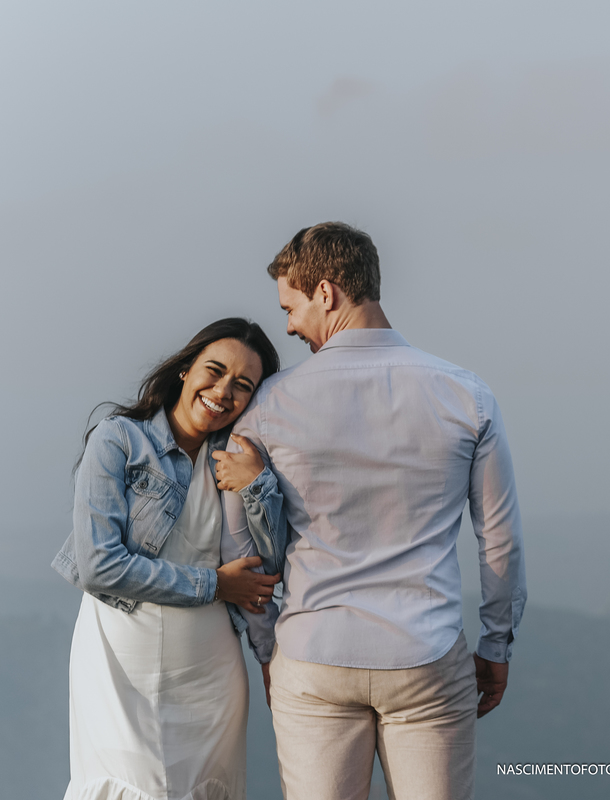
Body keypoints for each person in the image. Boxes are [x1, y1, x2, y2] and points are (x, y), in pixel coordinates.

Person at [227, 222, 526, 800]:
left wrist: (267, 649)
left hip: (313, 654)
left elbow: (243, 547)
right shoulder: (466, 395)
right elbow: (500, 539)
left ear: (326, 292)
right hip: (427, 653)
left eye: (290, 307)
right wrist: (496, 645)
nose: (288, 325)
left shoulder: (268, 404)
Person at [52, 318, 288, 800]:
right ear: (185, 368)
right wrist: (213, 585)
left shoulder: (239, 457)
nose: (223, 392)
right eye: (215, 371)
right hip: (120, 660)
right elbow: (99, 563)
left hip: (210, 670)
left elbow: (272, 558)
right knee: (131, 783)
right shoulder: (118, 440)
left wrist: (258, 482)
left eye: (243, 385)